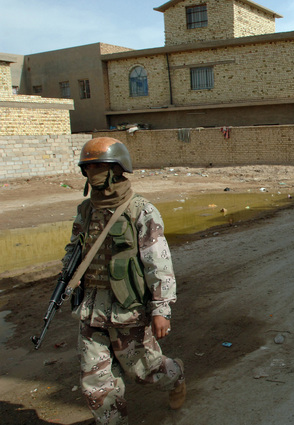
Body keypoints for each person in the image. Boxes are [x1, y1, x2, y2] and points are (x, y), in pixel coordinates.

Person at [63, 137, 185, 425]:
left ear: (117, 169)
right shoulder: (85, 210)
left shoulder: (140, 210)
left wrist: (161, 310)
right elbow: (74, 249)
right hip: (91, 311)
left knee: (145, 370)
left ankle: (175, 377)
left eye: (99, 166)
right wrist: (67, 277)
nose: (92, 172)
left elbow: (159, 264)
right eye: (88, 167)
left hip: (128, 310)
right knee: (96, 383)